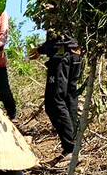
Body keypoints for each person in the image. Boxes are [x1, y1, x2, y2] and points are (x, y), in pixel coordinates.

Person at [28, 31, 82, 167]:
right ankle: (73, 149)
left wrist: (42, 49)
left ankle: (71, 149)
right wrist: (41, 49)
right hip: (75, 54)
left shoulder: (58, 13)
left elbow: (58, 35)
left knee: (54, 102)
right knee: (69, 99)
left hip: (62, 55)